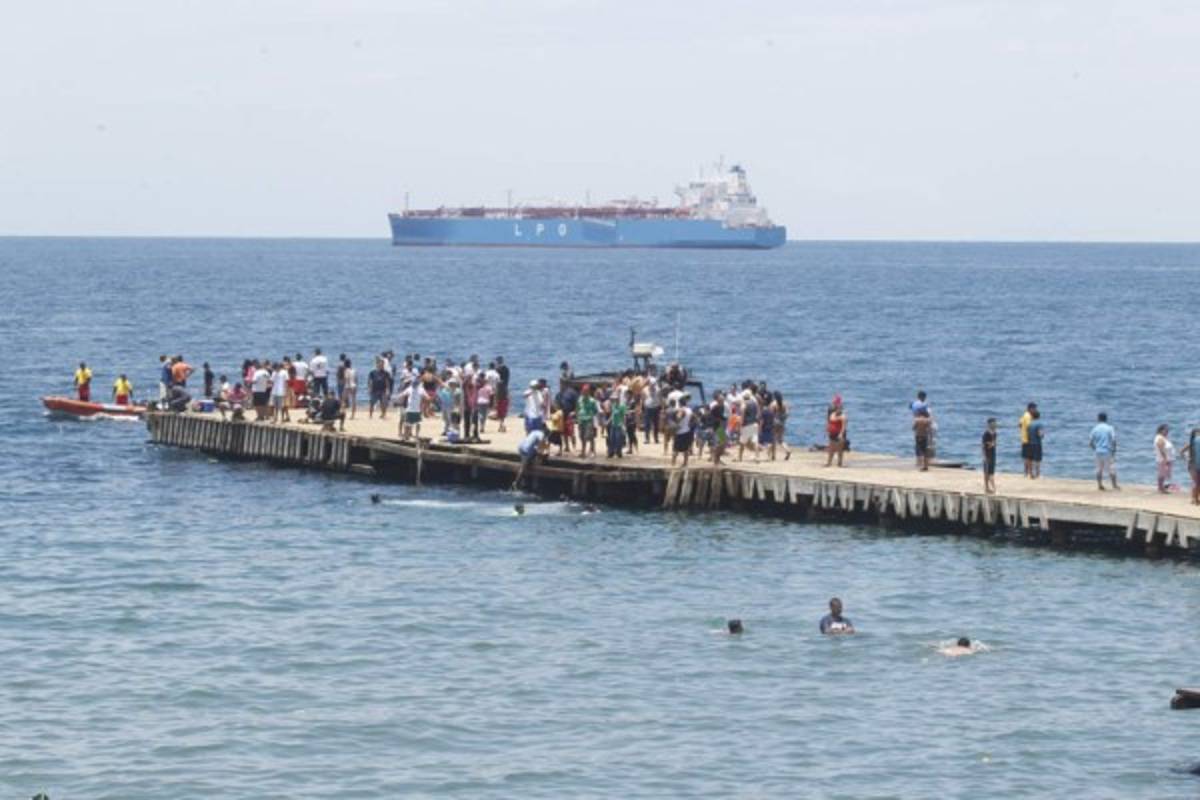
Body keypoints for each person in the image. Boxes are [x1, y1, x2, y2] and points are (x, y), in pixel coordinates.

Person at [1089, 412, 1119, 490]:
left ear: (1098, 419)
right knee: (1111, 469)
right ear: (1106, 419)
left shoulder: (1095, 428)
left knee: (1099, 469)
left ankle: (1100, 485)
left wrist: (1095, 449)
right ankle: (1114, 485)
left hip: (1098, 451)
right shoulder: (1110, 428)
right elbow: (1113, 440)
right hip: (1107, 451)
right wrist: (1114, 450)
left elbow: (1090, 443)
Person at [738, 389, 761, 463]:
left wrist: (740, 425)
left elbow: (742, 416)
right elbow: (758, 414)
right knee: (755, 441)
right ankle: (757, 457)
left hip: (746, 425)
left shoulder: (744, 404)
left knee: (742, 442)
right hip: (754, 424)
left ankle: (740, 458)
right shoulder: (755, 403)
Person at [576, 384, 598, 458]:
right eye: (584, 391)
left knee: (589, 436)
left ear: (589, 391)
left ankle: (592, 451)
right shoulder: (580, 399)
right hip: (581, 420)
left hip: (588, 420)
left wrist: (590, 415)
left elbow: (595, 411)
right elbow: (577, 409)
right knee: (581, 436)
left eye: (586, 391)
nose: (585, 392)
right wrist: (577, 418)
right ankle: (583, 451)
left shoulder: (592, 400)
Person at [825, 396, 847, 467]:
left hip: (839, 433)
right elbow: (829, 421)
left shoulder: (843, 416)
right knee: (831, 448)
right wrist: (827, 428)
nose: (838, 409)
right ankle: (829, 462)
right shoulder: (832, 413)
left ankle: (839, 463)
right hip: (832, 433)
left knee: (839, 449)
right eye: (837, 408)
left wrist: (841, 434)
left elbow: (844, 426)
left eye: (840, 408)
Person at [672, 395, 693, 467]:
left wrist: (676, 423)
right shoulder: (689, 410)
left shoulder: (681, 410)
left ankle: (673, 464)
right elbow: (692, 418)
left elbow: (678, 418)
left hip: (680, 431)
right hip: (687, 430)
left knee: (675, 449)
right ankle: (685, 463)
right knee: (686, 449)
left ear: (680, 403)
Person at [1154, 424, 1176, 494]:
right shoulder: (1160, 438)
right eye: (1166, 430)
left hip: (1164, 459)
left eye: (1168, 430)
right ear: (1161, 430)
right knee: (1162, 474)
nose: (1167, 431)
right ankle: (1161, 488)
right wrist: (1165, 458)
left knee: (1163, 474)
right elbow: (1161, 448)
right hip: (1163, 459)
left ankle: (1161, 488)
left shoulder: (1162, 437)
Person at [1182, 427, 1200, 506]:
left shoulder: (1192, 443)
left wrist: (1186, 459)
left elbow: (1181, 452)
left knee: (1196, 482)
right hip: (1193, 465)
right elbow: (1181, 452)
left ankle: (1195, 499)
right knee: (1196, 483)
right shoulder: (1193, 442)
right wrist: (1186, 459)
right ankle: (1195, 499)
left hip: (1192, 465)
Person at [1019, 402, 1037, 478]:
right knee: (1030, 457)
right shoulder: (1028, 416)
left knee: (1026, 457)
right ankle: (1031, 473)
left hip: (1024, 438)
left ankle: (1026, 473)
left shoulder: (1024, 415)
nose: (1035, 410)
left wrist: (1023, 431)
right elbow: (1030, 427)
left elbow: (1019, 424)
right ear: (1030, 408)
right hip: (1028, 439)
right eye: (1034, 409)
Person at [981, 418, 998, 494]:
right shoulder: (986, 434)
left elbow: (994, 444)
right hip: (987, 455)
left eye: (995, 423)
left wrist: (993, 444)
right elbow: (983, 446)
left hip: (993, 454)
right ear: (990, 424)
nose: (995, 425)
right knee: (987, 472)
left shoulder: (995, 433)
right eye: (994, 423)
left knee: (991, 472)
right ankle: (990, 488)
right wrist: (984, 456)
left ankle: (988, 488)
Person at [1027, 409, 1044, 479]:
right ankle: (1037, 474)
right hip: (1037, 443)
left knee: (1030, 459)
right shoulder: (1039, 424)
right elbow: (1040, 434)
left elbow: (1028, 434)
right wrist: (1042, 436)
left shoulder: (1030, 424)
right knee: (1037, 460)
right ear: (1039, 416)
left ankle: (1031, 474)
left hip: (1030, 443)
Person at [495, 356, 510, 432]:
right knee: (503, 408)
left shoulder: (497, 369)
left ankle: (501, 424)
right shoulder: (506, 369)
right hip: (505, 389)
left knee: (499, 408)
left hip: (499, 391)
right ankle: (501, 424)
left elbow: (497, 380)